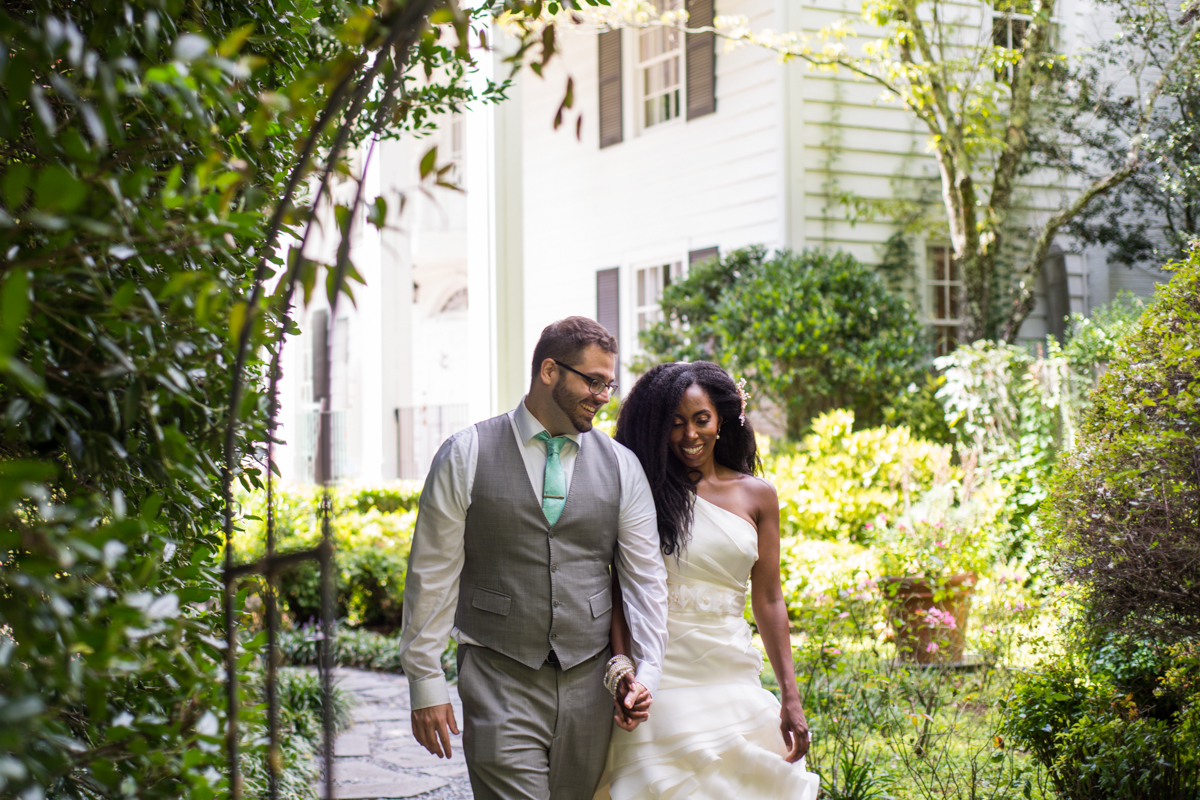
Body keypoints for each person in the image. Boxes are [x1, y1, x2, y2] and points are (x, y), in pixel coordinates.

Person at [399, 316, 670, 800]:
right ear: (549, 371)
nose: (603, 396)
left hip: (591, 683)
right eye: (593, 381)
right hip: (498, 677)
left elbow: (644, 580)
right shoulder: (465, 454)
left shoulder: (621, 465)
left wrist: (646, 672)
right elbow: (431, 575)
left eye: (609, 385)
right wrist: (425, 680)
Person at [597, 361, 820, 800]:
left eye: (701, 419)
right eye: (675, 423)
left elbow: (769, 599)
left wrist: (790, 697)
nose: (689, 434)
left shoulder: (758, 496)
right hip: (661, 678)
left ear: (722, 419)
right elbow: (622, 592)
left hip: (731, 673)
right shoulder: (644, 492)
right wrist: (623, 670)